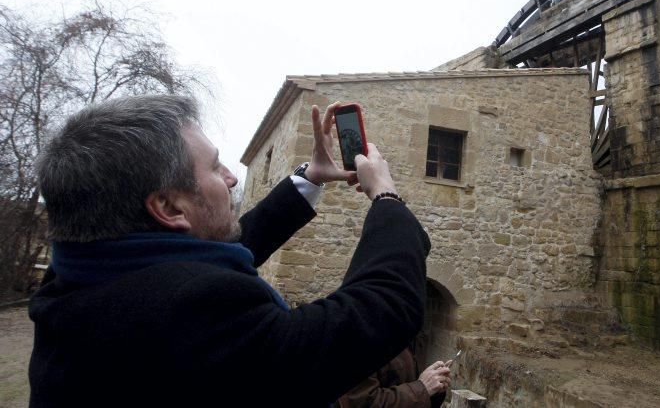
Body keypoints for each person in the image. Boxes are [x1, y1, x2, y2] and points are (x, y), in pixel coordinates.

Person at [28, 95, 431, 408]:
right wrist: (386, 196)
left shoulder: (76, 279)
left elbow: (203, 256)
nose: (232, 177)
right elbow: (383, 308)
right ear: (168, 207)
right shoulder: (194, 313)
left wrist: (308, 179)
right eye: (215, 167)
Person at [337, 346, 452, 408]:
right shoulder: (358, 337)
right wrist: (422, 388)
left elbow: (405, 382)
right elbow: (362, 403)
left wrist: (433, 390)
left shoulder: (398, 333)